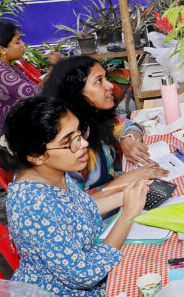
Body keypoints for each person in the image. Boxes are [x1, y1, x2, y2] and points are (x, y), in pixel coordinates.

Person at [1, 96, 150, 297]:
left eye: (79, 134)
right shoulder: (30, 205)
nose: (84, 144)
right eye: (69, 141)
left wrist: (130, 195)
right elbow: (84, 274)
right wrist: (128, 214)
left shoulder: (52, 173)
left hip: (88, 281)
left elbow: (82, 208)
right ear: (36, 156)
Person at [41, 56, 166, 202]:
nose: (110, 85)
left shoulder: (93, 117)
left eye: (105, 78)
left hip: (119, 192)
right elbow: (77, 208)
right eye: (98, 81)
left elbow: (129, 125)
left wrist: (128, 139)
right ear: (75, 91)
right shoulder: (61, 145)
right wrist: (128, 179)